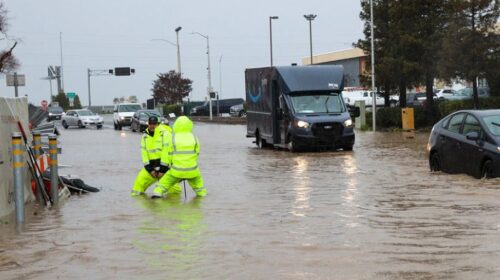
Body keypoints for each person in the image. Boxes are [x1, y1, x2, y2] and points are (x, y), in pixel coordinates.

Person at [153, 116, 207, 198]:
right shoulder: (194, 138)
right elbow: (197, 153)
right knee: (200, 189)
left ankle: (156, 200)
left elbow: (169, 155)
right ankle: (202, 201)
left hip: (176, 170)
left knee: (161, 186)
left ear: (176, 125)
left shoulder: (172, 138)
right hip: (192, 170)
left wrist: (169, 166)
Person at [131, 116, 180, 196]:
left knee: (175, 193)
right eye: (150, 123)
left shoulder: (165, 134)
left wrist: (162, 170)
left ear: (158, 124)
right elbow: (144, 154)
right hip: (151, 168)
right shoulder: (145, 136)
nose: (152, 126)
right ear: (148, 124)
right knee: (136, 189)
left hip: (165, 168)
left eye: (154, 124)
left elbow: (166, 152)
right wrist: (150, 170)